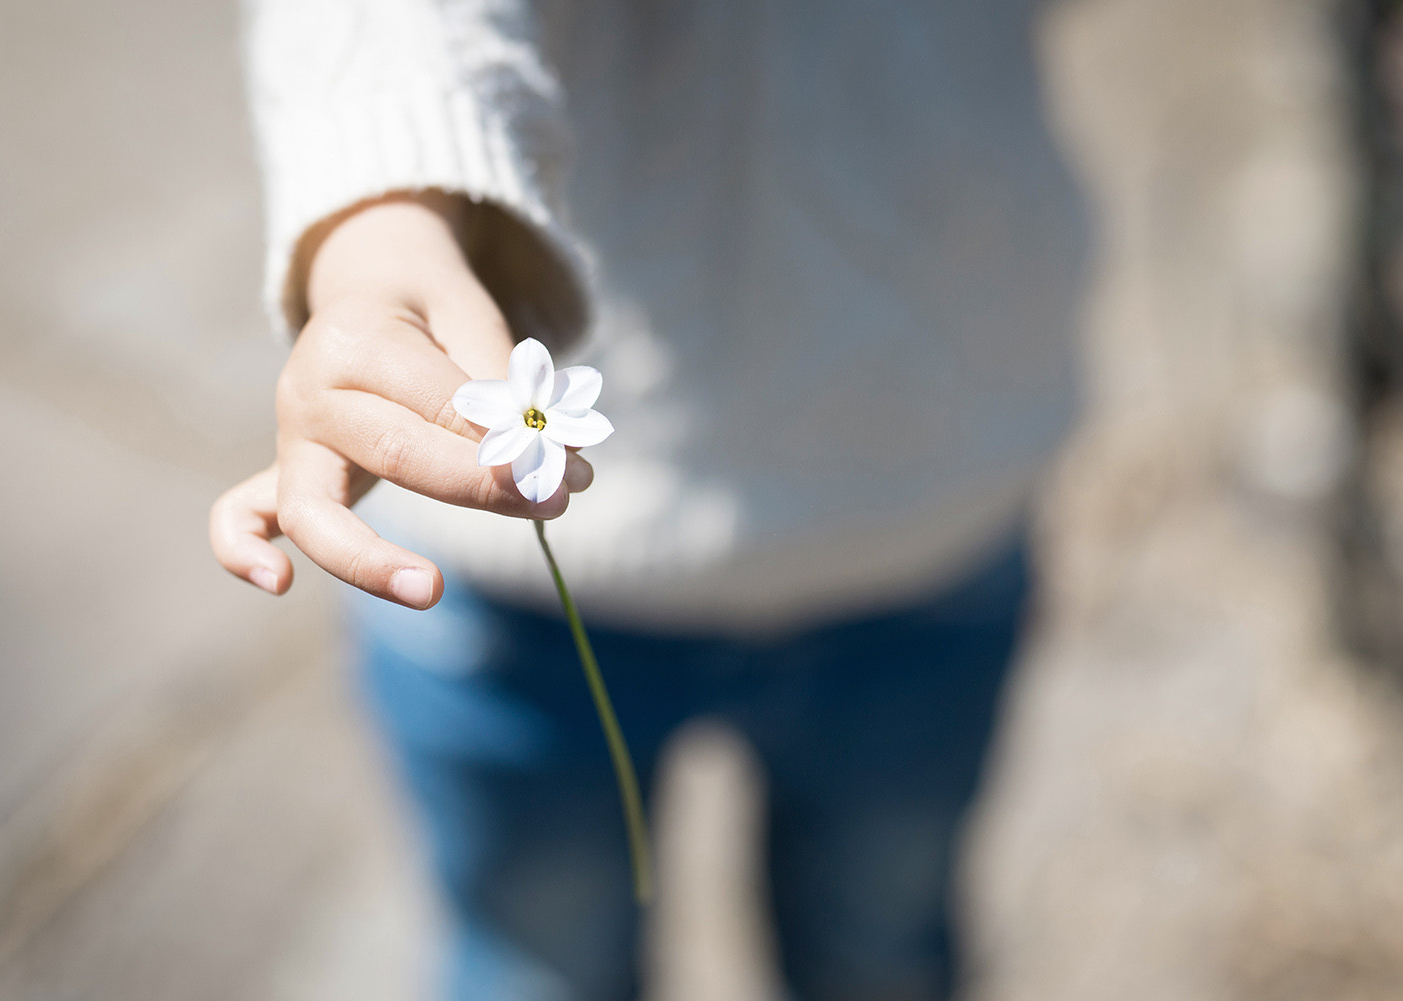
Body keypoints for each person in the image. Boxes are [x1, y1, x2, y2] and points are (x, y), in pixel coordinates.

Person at [209, 0, 1090, 998]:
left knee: (883, 951)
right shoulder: (527, 419)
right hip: (515, 608)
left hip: (929, 522)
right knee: (541, 963)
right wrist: (381, 227)